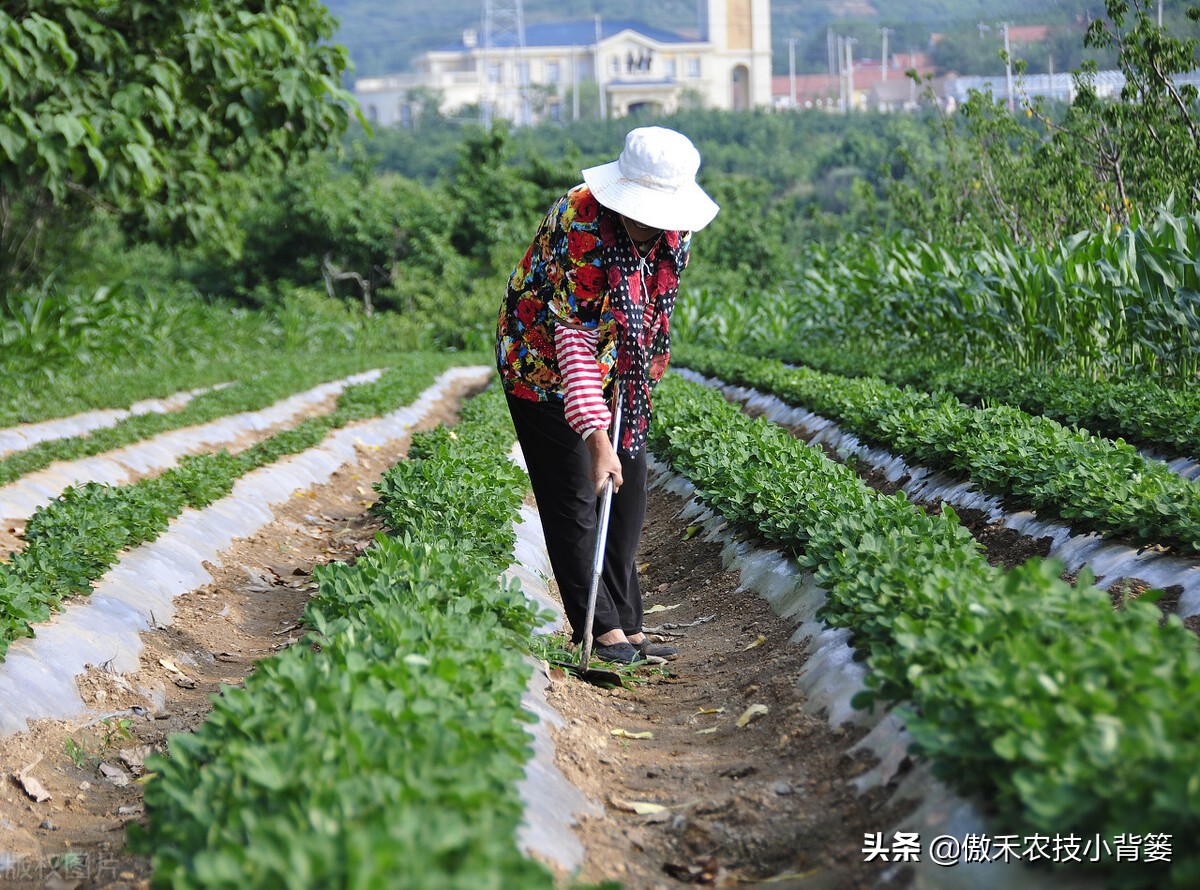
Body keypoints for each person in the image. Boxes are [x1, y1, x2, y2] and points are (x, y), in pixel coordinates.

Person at [496, 126, 719, 664]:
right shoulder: (581, 223)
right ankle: (597, 628)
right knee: (574, 493)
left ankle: (629, 623)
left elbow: (654, 317)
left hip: (618, 364)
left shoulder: (675, 232)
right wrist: (597, 438)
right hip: (542, 363)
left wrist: (630, 396)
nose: (653, 221)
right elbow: (572, 339)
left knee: (630, 487)